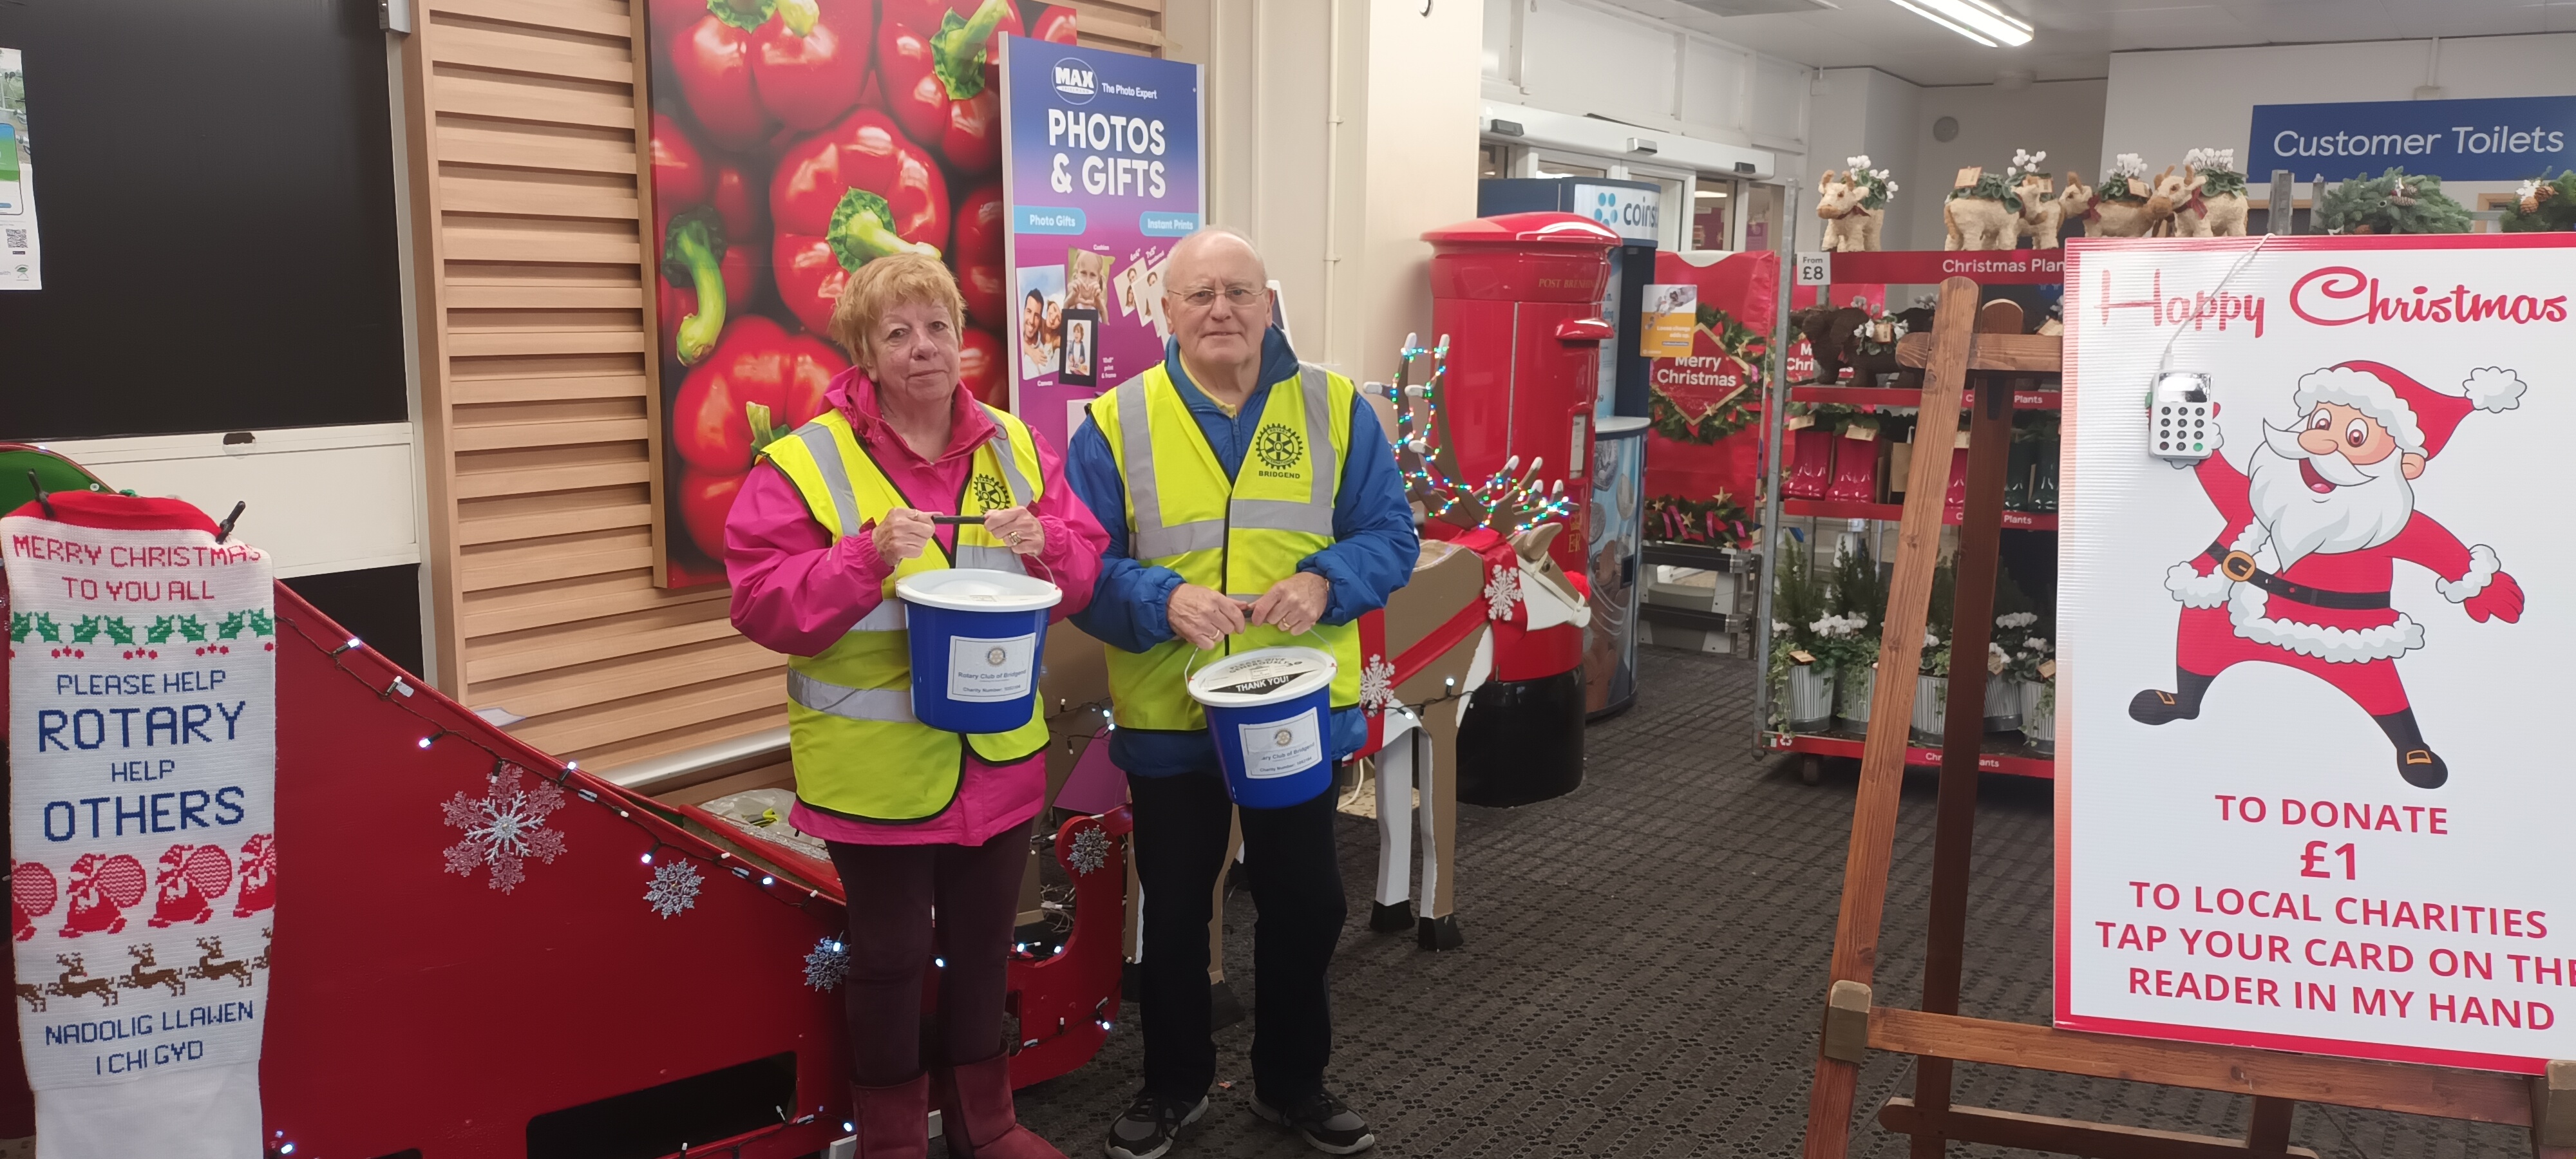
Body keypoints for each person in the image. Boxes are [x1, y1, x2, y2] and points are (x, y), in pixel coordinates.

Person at [726, 252, 1108, 1159]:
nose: (923, 348)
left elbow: (1088, 571)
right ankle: (893, 1139)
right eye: (896, 333)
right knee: (890, 961)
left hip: (1001, 757)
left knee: (985, 950)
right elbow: (761, 606)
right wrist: (861, 558)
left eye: (936, 326)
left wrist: (1049, 542)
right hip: (879, 776)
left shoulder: (1014, 446)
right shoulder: (804, 464)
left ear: (960, 338)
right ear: (864, 354)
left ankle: (991, 1124)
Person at [1065, 228, 1416, 1158]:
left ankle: (1293, 1083)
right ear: (1166, 311)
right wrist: (1161, 597)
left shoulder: (1337, 408)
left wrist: (1327, 582)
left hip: (1292, 714)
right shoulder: (1114, 423)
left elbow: (1392, 536)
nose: (1220, 309)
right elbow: (1079, 570)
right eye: (1199, 294)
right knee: (1177, 910)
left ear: (1269, 303)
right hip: (1170, 717)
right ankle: (1172, 1085)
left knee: (1307, 902)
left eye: (1239, 292)